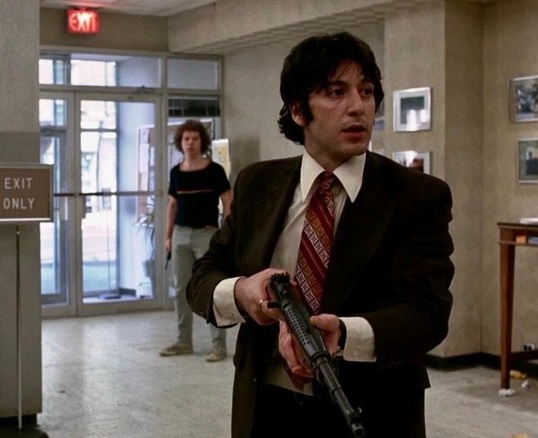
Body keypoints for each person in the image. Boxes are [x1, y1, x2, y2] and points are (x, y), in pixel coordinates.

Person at [186, 32, 454, 437]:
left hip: (371, 408)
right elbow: (204, 275)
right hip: (268, 405)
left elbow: (427, 314)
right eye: (335, 92)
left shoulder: (416, 196)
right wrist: (242, 292)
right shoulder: (258, 184)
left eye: (366, 92)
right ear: (298, 110)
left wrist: (345, 333)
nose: (357, 107)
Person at [159, 119, 233, 363]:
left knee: (212, 287)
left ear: (202, 142)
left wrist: (226, 232)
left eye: (194, 138)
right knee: (181, 288)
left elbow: (229, 202)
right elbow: (172, 205)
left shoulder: (214, 171)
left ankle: (218, 344)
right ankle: (183, 341)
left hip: (206, 234)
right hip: (181, 234)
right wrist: (168, 236)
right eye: (186, 139)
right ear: (181, 143)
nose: (190, 143)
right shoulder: (176, 172)